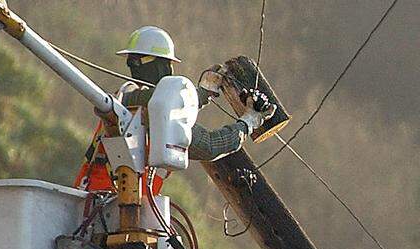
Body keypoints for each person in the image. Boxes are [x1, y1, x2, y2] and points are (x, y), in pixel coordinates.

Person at [75, 26, 274, 190]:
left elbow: (164, 108)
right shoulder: (146, 108)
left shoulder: (126, 98)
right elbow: (209, 145)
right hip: (118, 212)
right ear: (166, 66)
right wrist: (248, 122)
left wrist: (203, 93)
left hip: (90, 200)